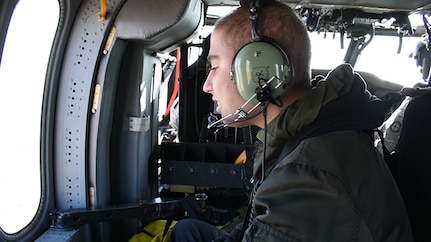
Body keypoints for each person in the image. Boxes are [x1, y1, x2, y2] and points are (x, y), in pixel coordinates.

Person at [169, 0, 414, 241]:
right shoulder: (309, 137)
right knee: (188, 229)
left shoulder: (308, 176)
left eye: (214, 67)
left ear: (258, 71)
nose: (206, 86)